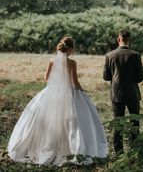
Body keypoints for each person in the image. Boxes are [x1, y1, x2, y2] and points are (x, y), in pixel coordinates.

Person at [8, 37, 108, 165]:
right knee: (72, 122)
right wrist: (82, 92)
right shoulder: (72, 63)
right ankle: (71, 149)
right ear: (71, 49)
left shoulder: (51, 60)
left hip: (51, 92)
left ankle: (42, 147)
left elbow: (46, 78)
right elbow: (74, 81)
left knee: (47, 119)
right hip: (68, 93)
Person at [103, 30, 143, 154]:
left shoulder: (110, 55)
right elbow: (139, 78)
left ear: (118, 39)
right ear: (129, 40)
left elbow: (106, 77)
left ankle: (119, 153)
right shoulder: (136, 55)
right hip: (132, 94)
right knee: (135, 123)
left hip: (116, 94)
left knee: (118, 123)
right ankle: (134, 150)